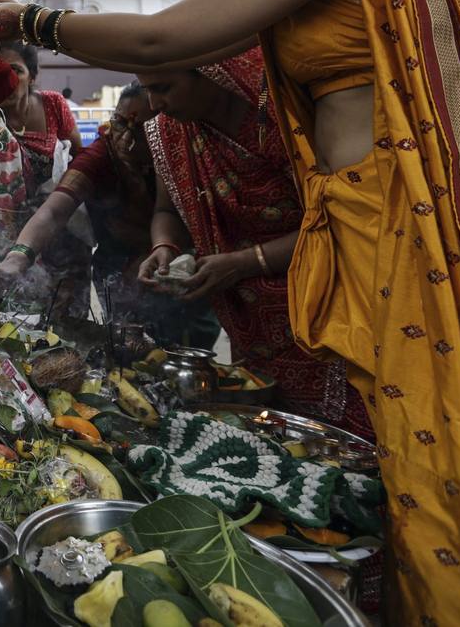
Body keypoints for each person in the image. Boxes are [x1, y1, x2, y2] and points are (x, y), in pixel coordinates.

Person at [0, 0, 460, 622]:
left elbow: (162, 35)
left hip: (401, 233)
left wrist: (28, 21)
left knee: (434, 465)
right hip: (367, 225)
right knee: (409, 461)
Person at [135, 51, 371, 436]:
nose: (154, 104)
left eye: (163, 88)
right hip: (250, 318)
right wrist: (165, 247)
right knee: (273, 428)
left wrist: (247, 262)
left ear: (212, 72)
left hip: (330, 299)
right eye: (147, 91)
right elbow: (167, 211)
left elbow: (345, 222)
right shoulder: (169, 132)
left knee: (350, 434)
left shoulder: (286, 122)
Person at [0, 82, 221, 348]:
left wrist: (165, 256)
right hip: (120, 271)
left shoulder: (187, 154)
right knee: (126, 349)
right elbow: (54, 210)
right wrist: (18, 257)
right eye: (120, 122)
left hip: (185, 268)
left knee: (188, 352)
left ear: (164, 129)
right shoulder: (103, 152)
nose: (125, 137)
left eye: (141, 128)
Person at [0, 41, 90, 314]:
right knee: (8, 313)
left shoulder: (53, 105)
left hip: (55, 230)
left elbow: (81, 159)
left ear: (32, 76)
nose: (6, 78)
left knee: (63, 316)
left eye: (15, 70)